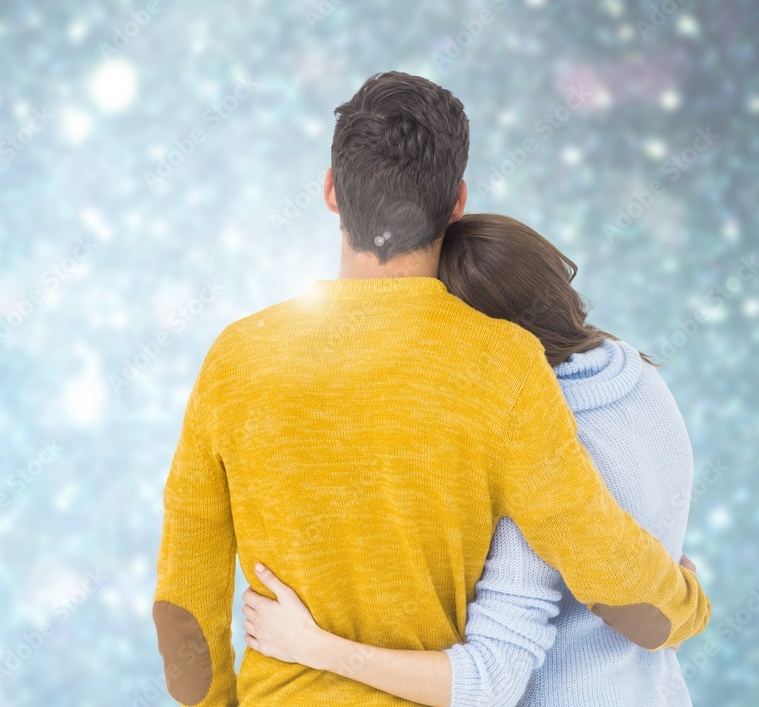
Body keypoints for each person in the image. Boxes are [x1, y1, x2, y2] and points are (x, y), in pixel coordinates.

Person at [153, 72, 709, 706]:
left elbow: (184, 602)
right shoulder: (505, 363)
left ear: (332, 192)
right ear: (456, 203)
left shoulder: (235, 358)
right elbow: (597, 557)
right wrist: (687, 606)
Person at [241, 214, 698, 706]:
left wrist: (315, 647)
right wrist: (681, 597)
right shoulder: (628, 370)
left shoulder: (541, 456)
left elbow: (488, 683)